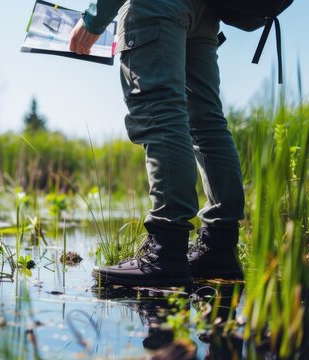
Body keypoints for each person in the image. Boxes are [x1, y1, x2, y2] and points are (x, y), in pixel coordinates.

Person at [69, 0, 244, 287]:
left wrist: (93, 19)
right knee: (207, 123)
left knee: (159, 113)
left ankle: (166, 251)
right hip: (205, 12)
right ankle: (219, 247)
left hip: (157, 7)